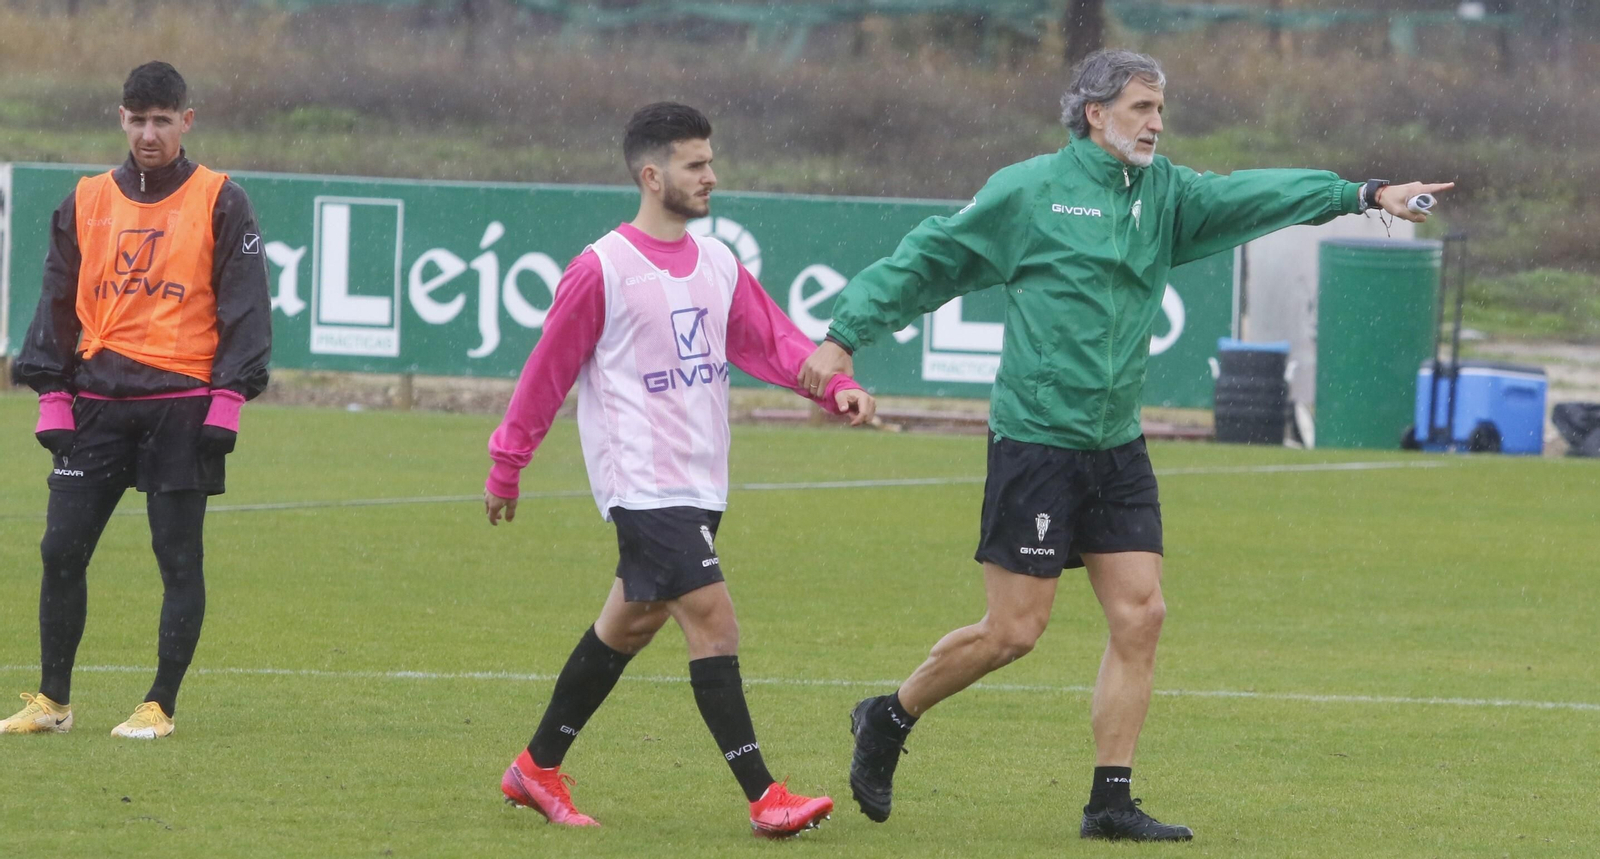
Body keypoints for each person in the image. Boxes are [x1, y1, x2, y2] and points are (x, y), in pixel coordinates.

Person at [799, 49, 1453, 842]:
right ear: (1094, 113)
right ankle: (889, 715)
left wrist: (1360, 193)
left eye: (1160, 109)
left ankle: (1110, 800)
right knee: (1013, 632)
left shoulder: (1166, 194)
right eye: (1142, 108)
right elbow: (928, 259)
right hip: (1037, 442)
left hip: (1117, 444)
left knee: (1141, 614)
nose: (1156, 123)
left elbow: (1254, 192)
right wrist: (842, 337)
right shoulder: (1030, 190)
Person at [485, 102, 874, 837]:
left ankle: (535, 767)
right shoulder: (601, 268)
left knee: (628, 625)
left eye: (711, 161)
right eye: (696, 165)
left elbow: (774, 341)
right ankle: (765, 796)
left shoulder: (720, 262)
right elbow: (546, 374)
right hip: (641, 482)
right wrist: (507, 463)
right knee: (714, 620)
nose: (711, 176)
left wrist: (834, 383)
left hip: (701, 481)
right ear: (652, 173)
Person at [3, 62, 271, 740]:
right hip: (96, 403)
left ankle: (159, 703)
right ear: (120, 118)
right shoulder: (86, 199)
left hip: (181, 406)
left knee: (177, 558)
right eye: (137, 119)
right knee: (60, 548)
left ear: (187, 119)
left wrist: (227, 403)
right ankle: (53, 701)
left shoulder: (222, 199)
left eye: (162, 120)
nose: (149, 133)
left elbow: (246, 309)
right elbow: (58, 301)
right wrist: (51, 396)